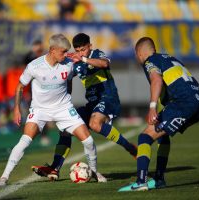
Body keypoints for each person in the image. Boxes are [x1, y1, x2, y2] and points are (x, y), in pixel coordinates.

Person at [0, 33, 106, 187]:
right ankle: (4, 177)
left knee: (88, 140)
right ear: (52, 50)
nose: (66, 54)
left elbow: (69, 81)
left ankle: (94, 172)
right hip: (40, 109)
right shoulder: (34, 66)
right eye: (63, 52)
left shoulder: (69, 63)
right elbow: (20, 86)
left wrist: (68, 97)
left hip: (63, 108)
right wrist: (16, 109)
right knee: (24, 142)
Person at [32, 33, 137, 180]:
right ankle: (55, 168)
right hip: (92, 104)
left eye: (83, 49)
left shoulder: (96, 54)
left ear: (90, 46)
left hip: (108, 98)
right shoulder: (75, 63)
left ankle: (130, 148)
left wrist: (83, 58)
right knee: (65, 129)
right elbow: (66, 78)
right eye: (78, 50)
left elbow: (105, 64)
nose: (81, 52)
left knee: (95, 124)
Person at [118, 37, 199, 192]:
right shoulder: (170, 59)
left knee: (145, 137)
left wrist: (152, 107)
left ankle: (141, 181)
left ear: (139, 53)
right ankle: (159, 179)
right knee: (162, 135)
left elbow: (156, 81)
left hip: (183, 103)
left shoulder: (150, 61)